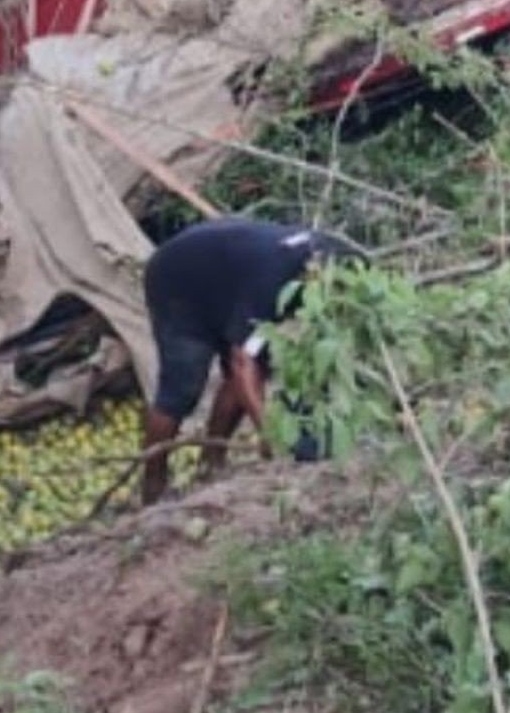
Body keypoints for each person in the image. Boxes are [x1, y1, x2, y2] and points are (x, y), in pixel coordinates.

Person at [138, 216, 361, 504]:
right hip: (178, 277)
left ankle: (211, 463)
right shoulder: (275, 282)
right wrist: (269, 433)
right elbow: (243, 362)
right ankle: (152, 487)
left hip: (229, 271)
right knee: (183, 387)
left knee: (256, 363)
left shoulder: (348, 263)